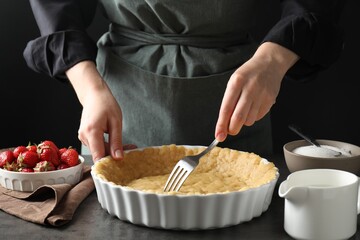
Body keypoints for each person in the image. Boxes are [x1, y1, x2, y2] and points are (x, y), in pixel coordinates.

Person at [24, 0, 346, 162]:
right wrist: (91, 92)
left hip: (239, 85)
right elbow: (56, 8)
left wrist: (273, 61)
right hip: (119, 98)